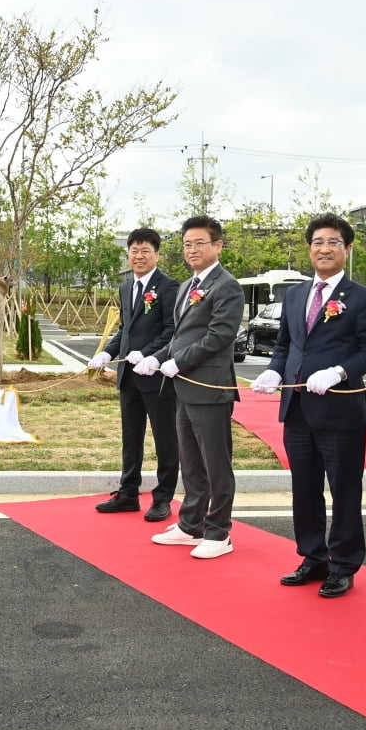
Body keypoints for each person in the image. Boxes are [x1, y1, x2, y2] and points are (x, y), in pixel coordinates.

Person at [251, 214, 366, 597]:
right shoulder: (294, 295)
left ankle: (343, 564)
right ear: (309, 248)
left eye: (333, 242)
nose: (324, 249)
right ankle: (313, 556)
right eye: (317, 242)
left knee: (344, 491)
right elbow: (285, 345)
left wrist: (340, 372)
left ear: (347, 248)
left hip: (340, 411)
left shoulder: (361, 297)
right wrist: (275, 372)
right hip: (296, 408)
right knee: (304, 488)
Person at [135, 215, 243, 559]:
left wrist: (179, 362)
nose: (192, 249)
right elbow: (181, 336)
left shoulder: (227, 286)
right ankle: (191, 523)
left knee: (216, 464)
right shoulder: (187, 286)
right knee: (192, 462)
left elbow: (219, 336)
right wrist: (157, 357)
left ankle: (219, 531)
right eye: (186, 244)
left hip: (210, 387)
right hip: (182, 388)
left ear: (217, 246)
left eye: (199, 243)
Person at [87, 227, 180, 521]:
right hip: (128, 376)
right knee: (131, 437)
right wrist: (107, 352)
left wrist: (150, 354)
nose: (139, 257)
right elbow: (126, 329)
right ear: (128, 254)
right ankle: (128, 492)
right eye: (134, 251)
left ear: (157, 255)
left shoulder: (169, 287)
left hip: (156, 376)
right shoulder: (126, 287)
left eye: (145, 251)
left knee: (165, 439)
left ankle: (163, 497)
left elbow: (172, 332)